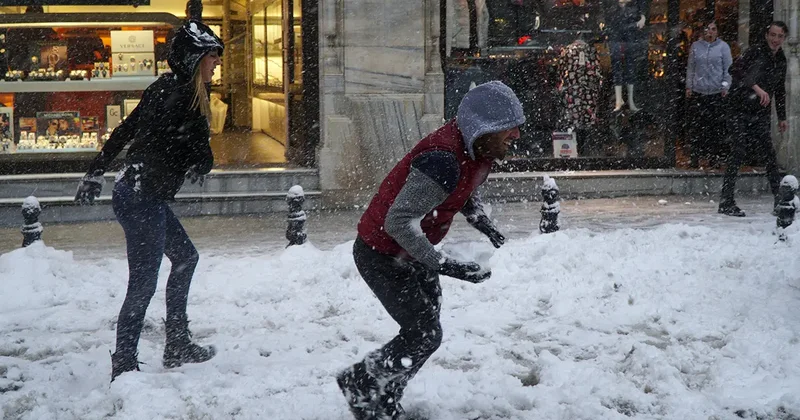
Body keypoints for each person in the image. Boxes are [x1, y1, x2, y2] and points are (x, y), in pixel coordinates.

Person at [336, 81, 525, 420]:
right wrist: (444, 265)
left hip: (412, 253)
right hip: (382, 254)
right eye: (508, 128)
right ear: (484, 127)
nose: (516, 135)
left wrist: (480, 221)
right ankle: (362, 383)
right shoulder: (442, 160)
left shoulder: (477, 150)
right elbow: (399, 221)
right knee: (424, 333)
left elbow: (463, 189)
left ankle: (384, 394)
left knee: (425, 332)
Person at [74, 20, 224, 382]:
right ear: (195, 59)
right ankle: (124, 364)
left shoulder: (166, 89)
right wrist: (200, 143)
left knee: (186, 257)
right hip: (141, 198)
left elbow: (126, 130)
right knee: (142, 284)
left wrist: (96, 171)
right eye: (212, 58)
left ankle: (177, 344)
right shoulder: (183, 101)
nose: (216, 65)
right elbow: (200, 159)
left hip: (139, 192)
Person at [718, 21, 789, 217]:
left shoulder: (781, 59)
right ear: (767, 35)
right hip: (738, 107)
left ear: (784, 38)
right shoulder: (756, 51)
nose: (775, 39)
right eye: (772, 35)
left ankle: (779, 200)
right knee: (738, 151)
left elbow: (780, 90)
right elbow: (735, 69)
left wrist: (782, 117)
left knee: (769, 154)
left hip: (760, 112)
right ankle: (726, 201)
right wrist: (756, 88)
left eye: (780, 36)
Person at [685, 20, 732, 168]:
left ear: (717, 32)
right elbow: (691, 67)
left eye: (713, 29)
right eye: (707, 29)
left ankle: (715, 157)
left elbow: (728, 69)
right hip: (700, 91)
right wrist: (689, 86)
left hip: (717, 92)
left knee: (716, 127)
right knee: (698, 126)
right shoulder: (696, 47)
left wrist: (726, 86)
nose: (710, 32)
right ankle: (695, 156)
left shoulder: (723, 47)